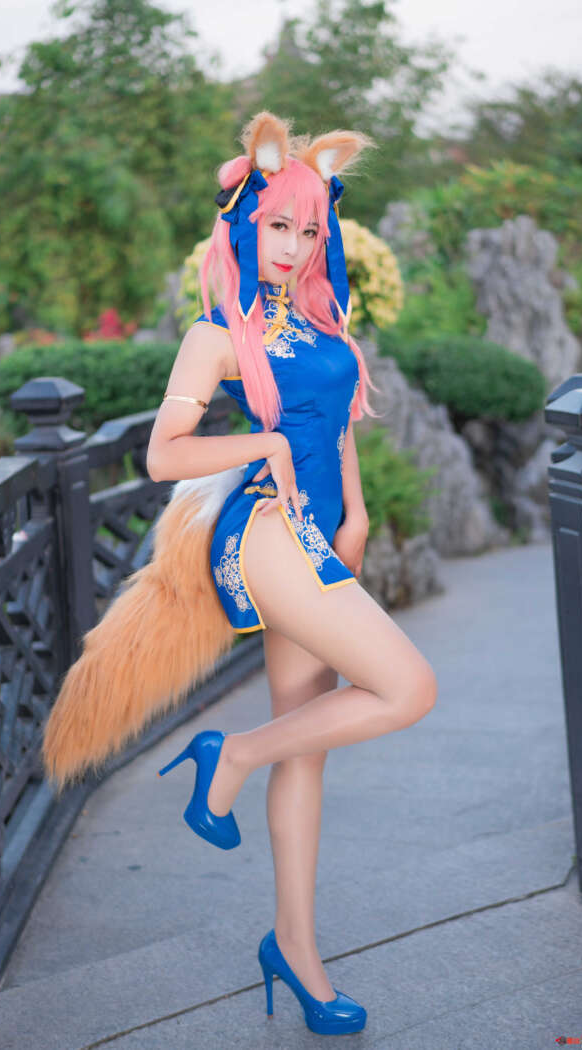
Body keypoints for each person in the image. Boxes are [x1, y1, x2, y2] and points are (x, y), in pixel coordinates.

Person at [151, 111, 439, 1036]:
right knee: (408, 687)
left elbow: (338, 425)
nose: (293, 244)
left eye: (309, 230)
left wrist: (356, 515)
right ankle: (228, 755)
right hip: (266, 529)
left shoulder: (319, 324)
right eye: (278, 224)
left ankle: (296, 953)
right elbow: (164, 454)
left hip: (318, 535)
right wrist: (265, 443)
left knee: (304, 742)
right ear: (247, 222)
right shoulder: (216, 334)